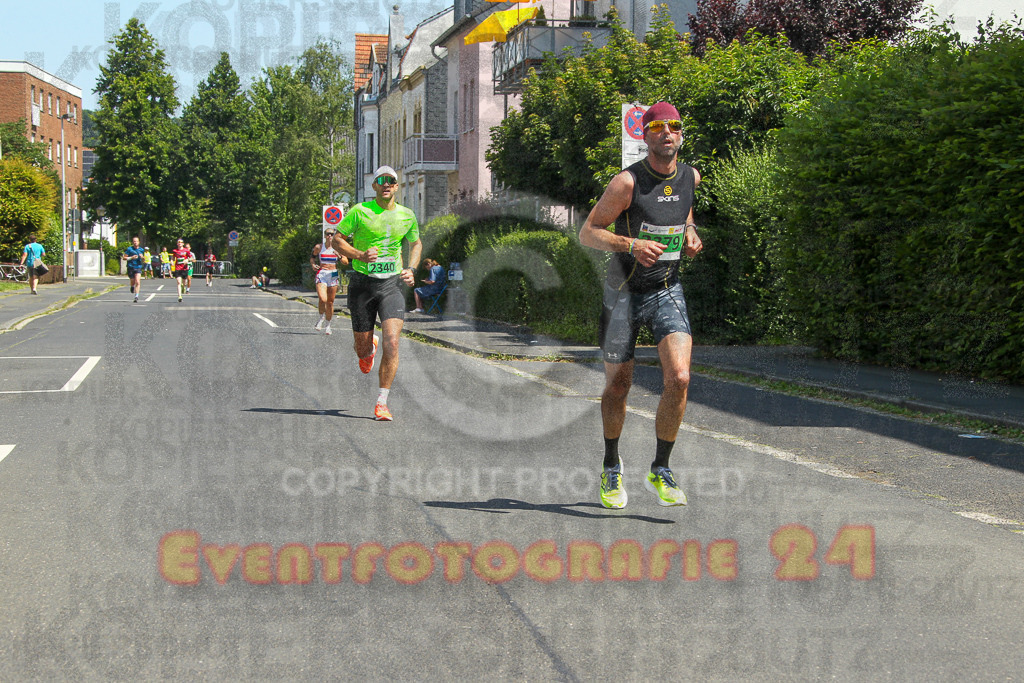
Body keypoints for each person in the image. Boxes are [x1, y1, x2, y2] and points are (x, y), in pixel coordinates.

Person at [579, 102, 704, 509]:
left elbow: (683, 209)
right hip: (623, 295)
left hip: (668, 288)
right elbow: (588, 232)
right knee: (619, 386)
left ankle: (661, 468)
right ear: (645, 135)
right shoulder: (627, 184)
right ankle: (612, 466)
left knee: (680, 378)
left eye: (675, 127)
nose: (667, 133)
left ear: (681, 136)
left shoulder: (691, 177)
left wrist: (689, 231)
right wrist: (631, 244)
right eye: (658, 127)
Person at [330, 165, 421, 421]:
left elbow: (415, 242)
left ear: (396, 185)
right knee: (361, 350)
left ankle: (382, 402)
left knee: (392, 341)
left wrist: (411, 269)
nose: (386, 184)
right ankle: (368, 347)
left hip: (392, 284)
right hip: (362, 284)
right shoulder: (360, 212)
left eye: (391, 180)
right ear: (374, 186)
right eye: (381, 180)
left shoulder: (407, 215)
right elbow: (338, 240)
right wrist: (360, 254)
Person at [311, 229, 349, 335]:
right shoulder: (319, 247)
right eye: (328, 234)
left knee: (330, 302)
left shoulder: (338, 248)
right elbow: (312, 257)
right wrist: (313, 265)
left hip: (333, 274)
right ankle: (321, 318)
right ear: (325, 236)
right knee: (323, 299)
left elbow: (346, 262)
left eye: (332, 234)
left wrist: (339, 256)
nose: (330, 236)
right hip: (322, 273)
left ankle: (328, 325)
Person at [122, 236, 146, 303]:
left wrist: (142, 257)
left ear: (139, 242)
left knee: (138, 281)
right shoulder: (129, 249)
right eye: (134, 241)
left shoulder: (141, 250)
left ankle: (136, 296)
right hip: (131, 267)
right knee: (133, 281)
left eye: (137, 241)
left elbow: (144, 260)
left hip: (138, 266)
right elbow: (124, 258)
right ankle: (132, 286)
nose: (135, 242)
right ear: (133, 242)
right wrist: (131, 257)